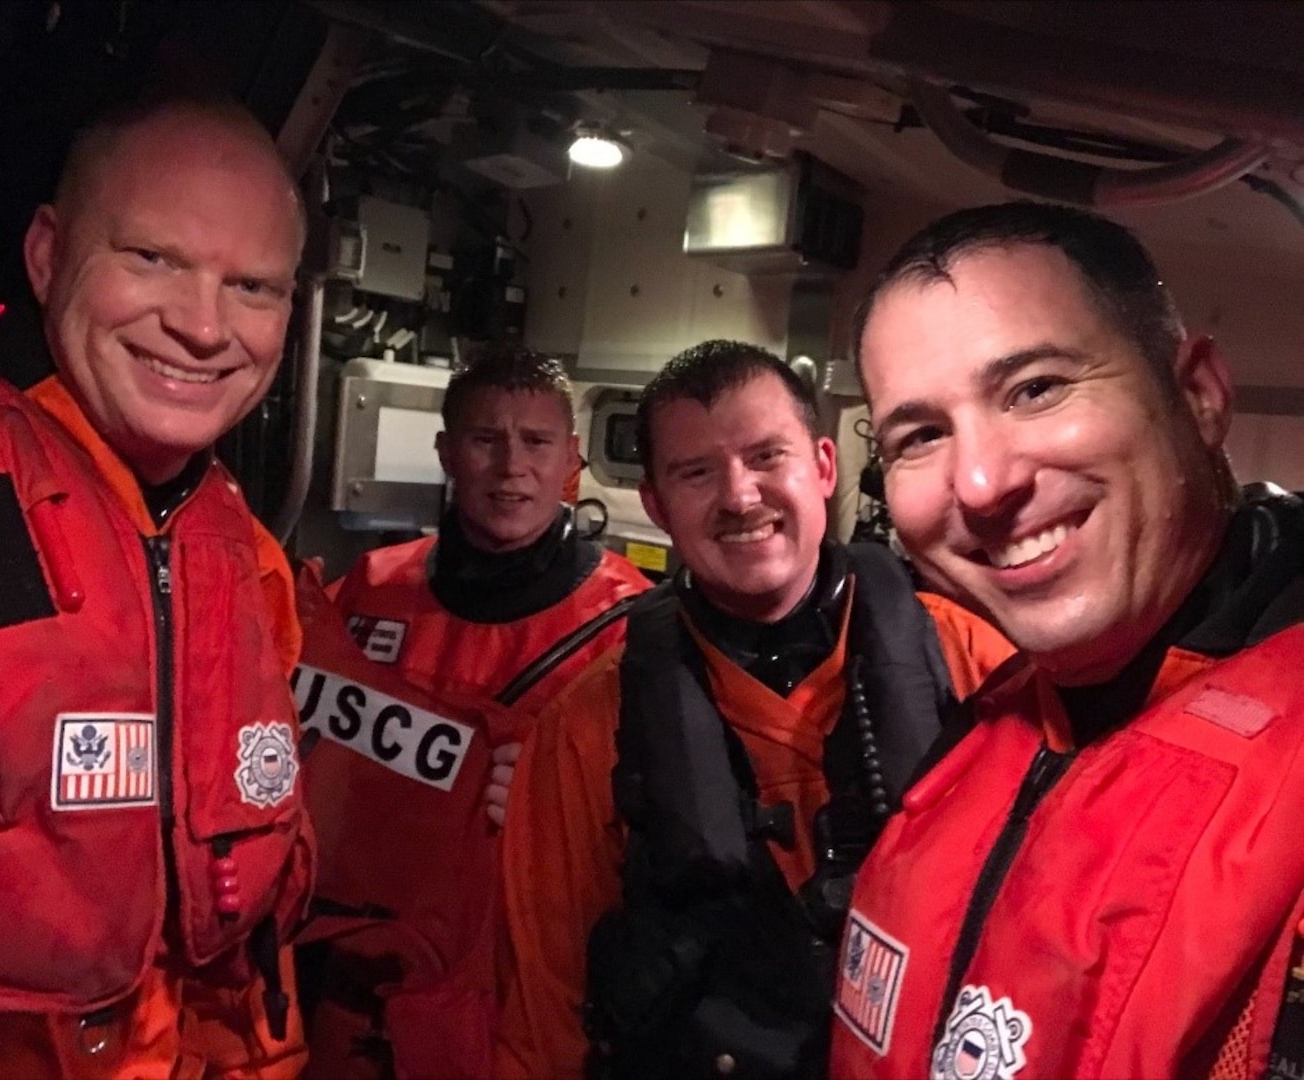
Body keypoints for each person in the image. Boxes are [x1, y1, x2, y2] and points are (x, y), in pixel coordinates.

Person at [0, 96, 315, 1078]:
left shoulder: (249, 558)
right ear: (46, 255)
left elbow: (241, 971)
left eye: (251, 286)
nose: (202, 327)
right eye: (152, 259)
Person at [833, 201, 1304, 1080]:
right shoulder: (979, 739)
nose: (979, 484)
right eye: (920, 435)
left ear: (1198, 395)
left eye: (1036, 389)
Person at [492, 340, 1013, 1079]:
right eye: (697, 472)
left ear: (825, 468)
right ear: (656, 506)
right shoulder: (589, 727)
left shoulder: (972, 666)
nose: (740, 496)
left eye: (768, 457)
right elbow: (539, 1026)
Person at [291, 345, 651, 1080]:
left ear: (572, 461)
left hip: (516, 994)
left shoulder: (632, 628)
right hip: (353, 978)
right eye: (486, 440)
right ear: (447, 453)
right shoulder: (369, 590)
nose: (511, 465)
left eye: (537, 442)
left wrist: (558, 800)